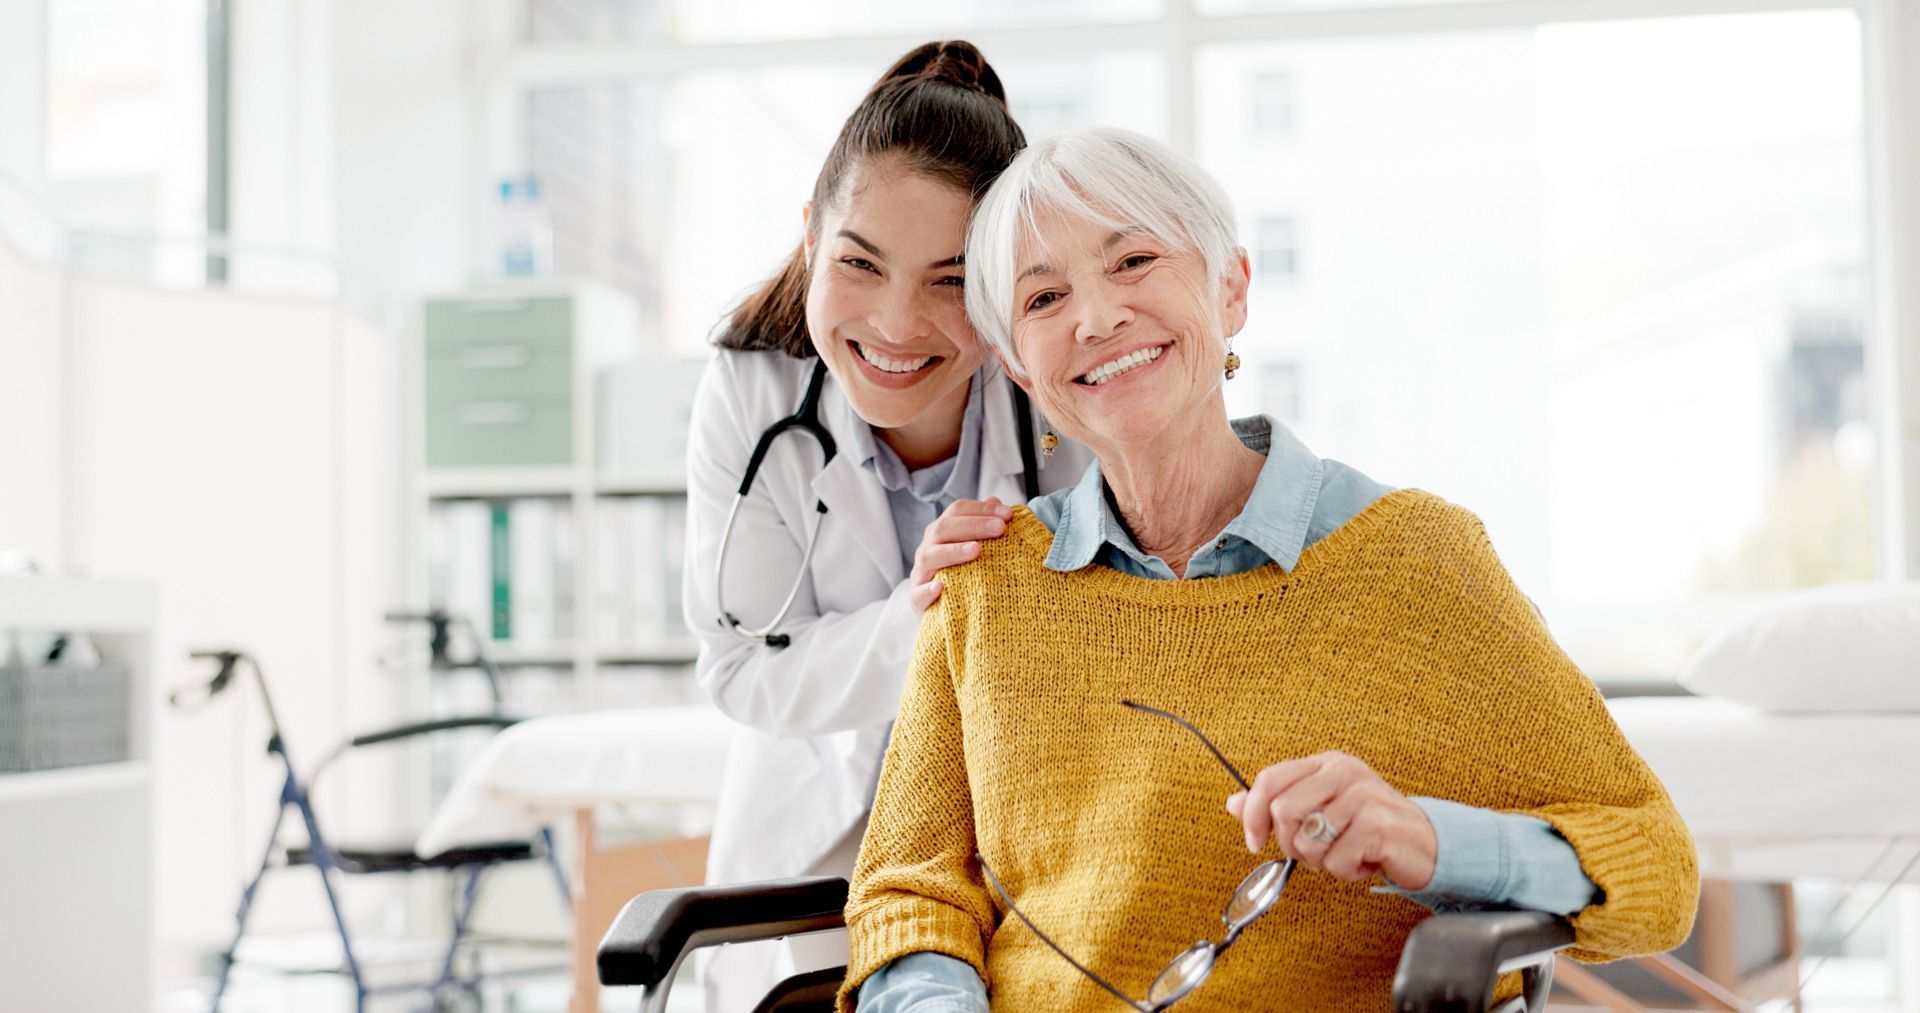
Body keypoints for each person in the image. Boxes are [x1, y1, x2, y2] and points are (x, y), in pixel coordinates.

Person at [840, 128, 1697, 1011]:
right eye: (1045, 297)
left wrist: (1430, 842)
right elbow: (909, 890)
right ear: (1020, 366)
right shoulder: (987, 582)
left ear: (1231, 288)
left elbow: (1657, 866)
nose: (1095, 319)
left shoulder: (1418, 561)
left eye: (1133, 260)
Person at [680, 41, 1093, 1008]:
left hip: (1021, 850)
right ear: (812, 239)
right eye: (861, 264)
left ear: (1000, 280)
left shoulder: (1062, 397)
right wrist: (928, 616)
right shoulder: (752, 387)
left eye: (951, 281)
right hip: (803, 851)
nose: (897, 325)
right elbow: (741, 666)